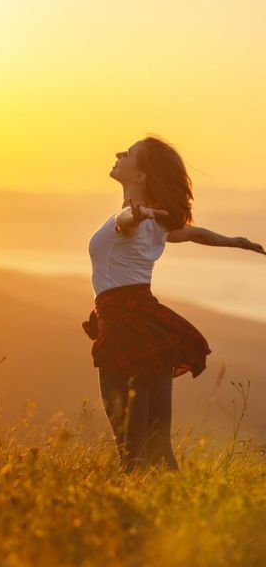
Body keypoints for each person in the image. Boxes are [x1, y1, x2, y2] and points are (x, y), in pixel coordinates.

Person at [82, 135, 265, 474]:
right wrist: (234, 242)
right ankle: (175, 507)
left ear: (139, 176)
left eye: (129, 153)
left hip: (124, 326)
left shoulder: (134, 220)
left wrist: (135, 215)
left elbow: (127, 223)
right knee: (157, 444)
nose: (119, 154)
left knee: (131, 450)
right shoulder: (154, 223)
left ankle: (139, 519)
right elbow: (194, 234)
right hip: (147, 324)